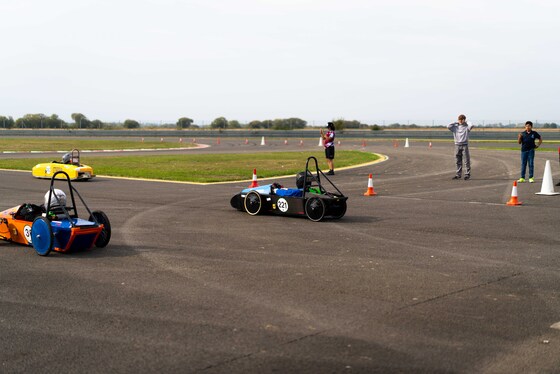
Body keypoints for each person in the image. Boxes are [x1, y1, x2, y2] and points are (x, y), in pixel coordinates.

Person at [447, 114, 474, 180]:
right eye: (459, 119)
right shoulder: (455, 127)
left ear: (464, 120)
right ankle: (458, 174)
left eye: (462, 119)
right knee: (458, 160)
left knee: (466, 160)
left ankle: (467, 174)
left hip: (464, 145)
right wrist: (456, 122)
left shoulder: (467, 127)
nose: (460, 121)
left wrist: (467, 122)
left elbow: (472, 125)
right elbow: (448, 126)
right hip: (457, 145)